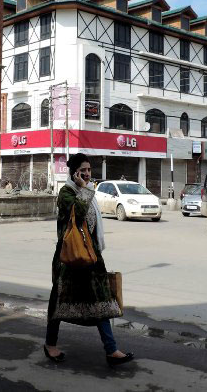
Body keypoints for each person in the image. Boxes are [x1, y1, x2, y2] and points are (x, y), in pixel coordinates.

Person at [44, 152, 134, 367]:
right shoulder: (66, 193)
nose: (86, 173)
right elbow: (78, 214)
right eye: (82, 170)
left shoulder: (88, 190)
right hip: (69, 259)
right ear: (73, 172)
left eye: (88, 169)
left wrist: (86, 189)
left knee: (101, 300)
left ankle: (111, 350)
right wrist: (83, 189)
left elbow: (92, 225)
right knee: (59, 301)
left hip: (91, 256)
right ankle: (50, 344)